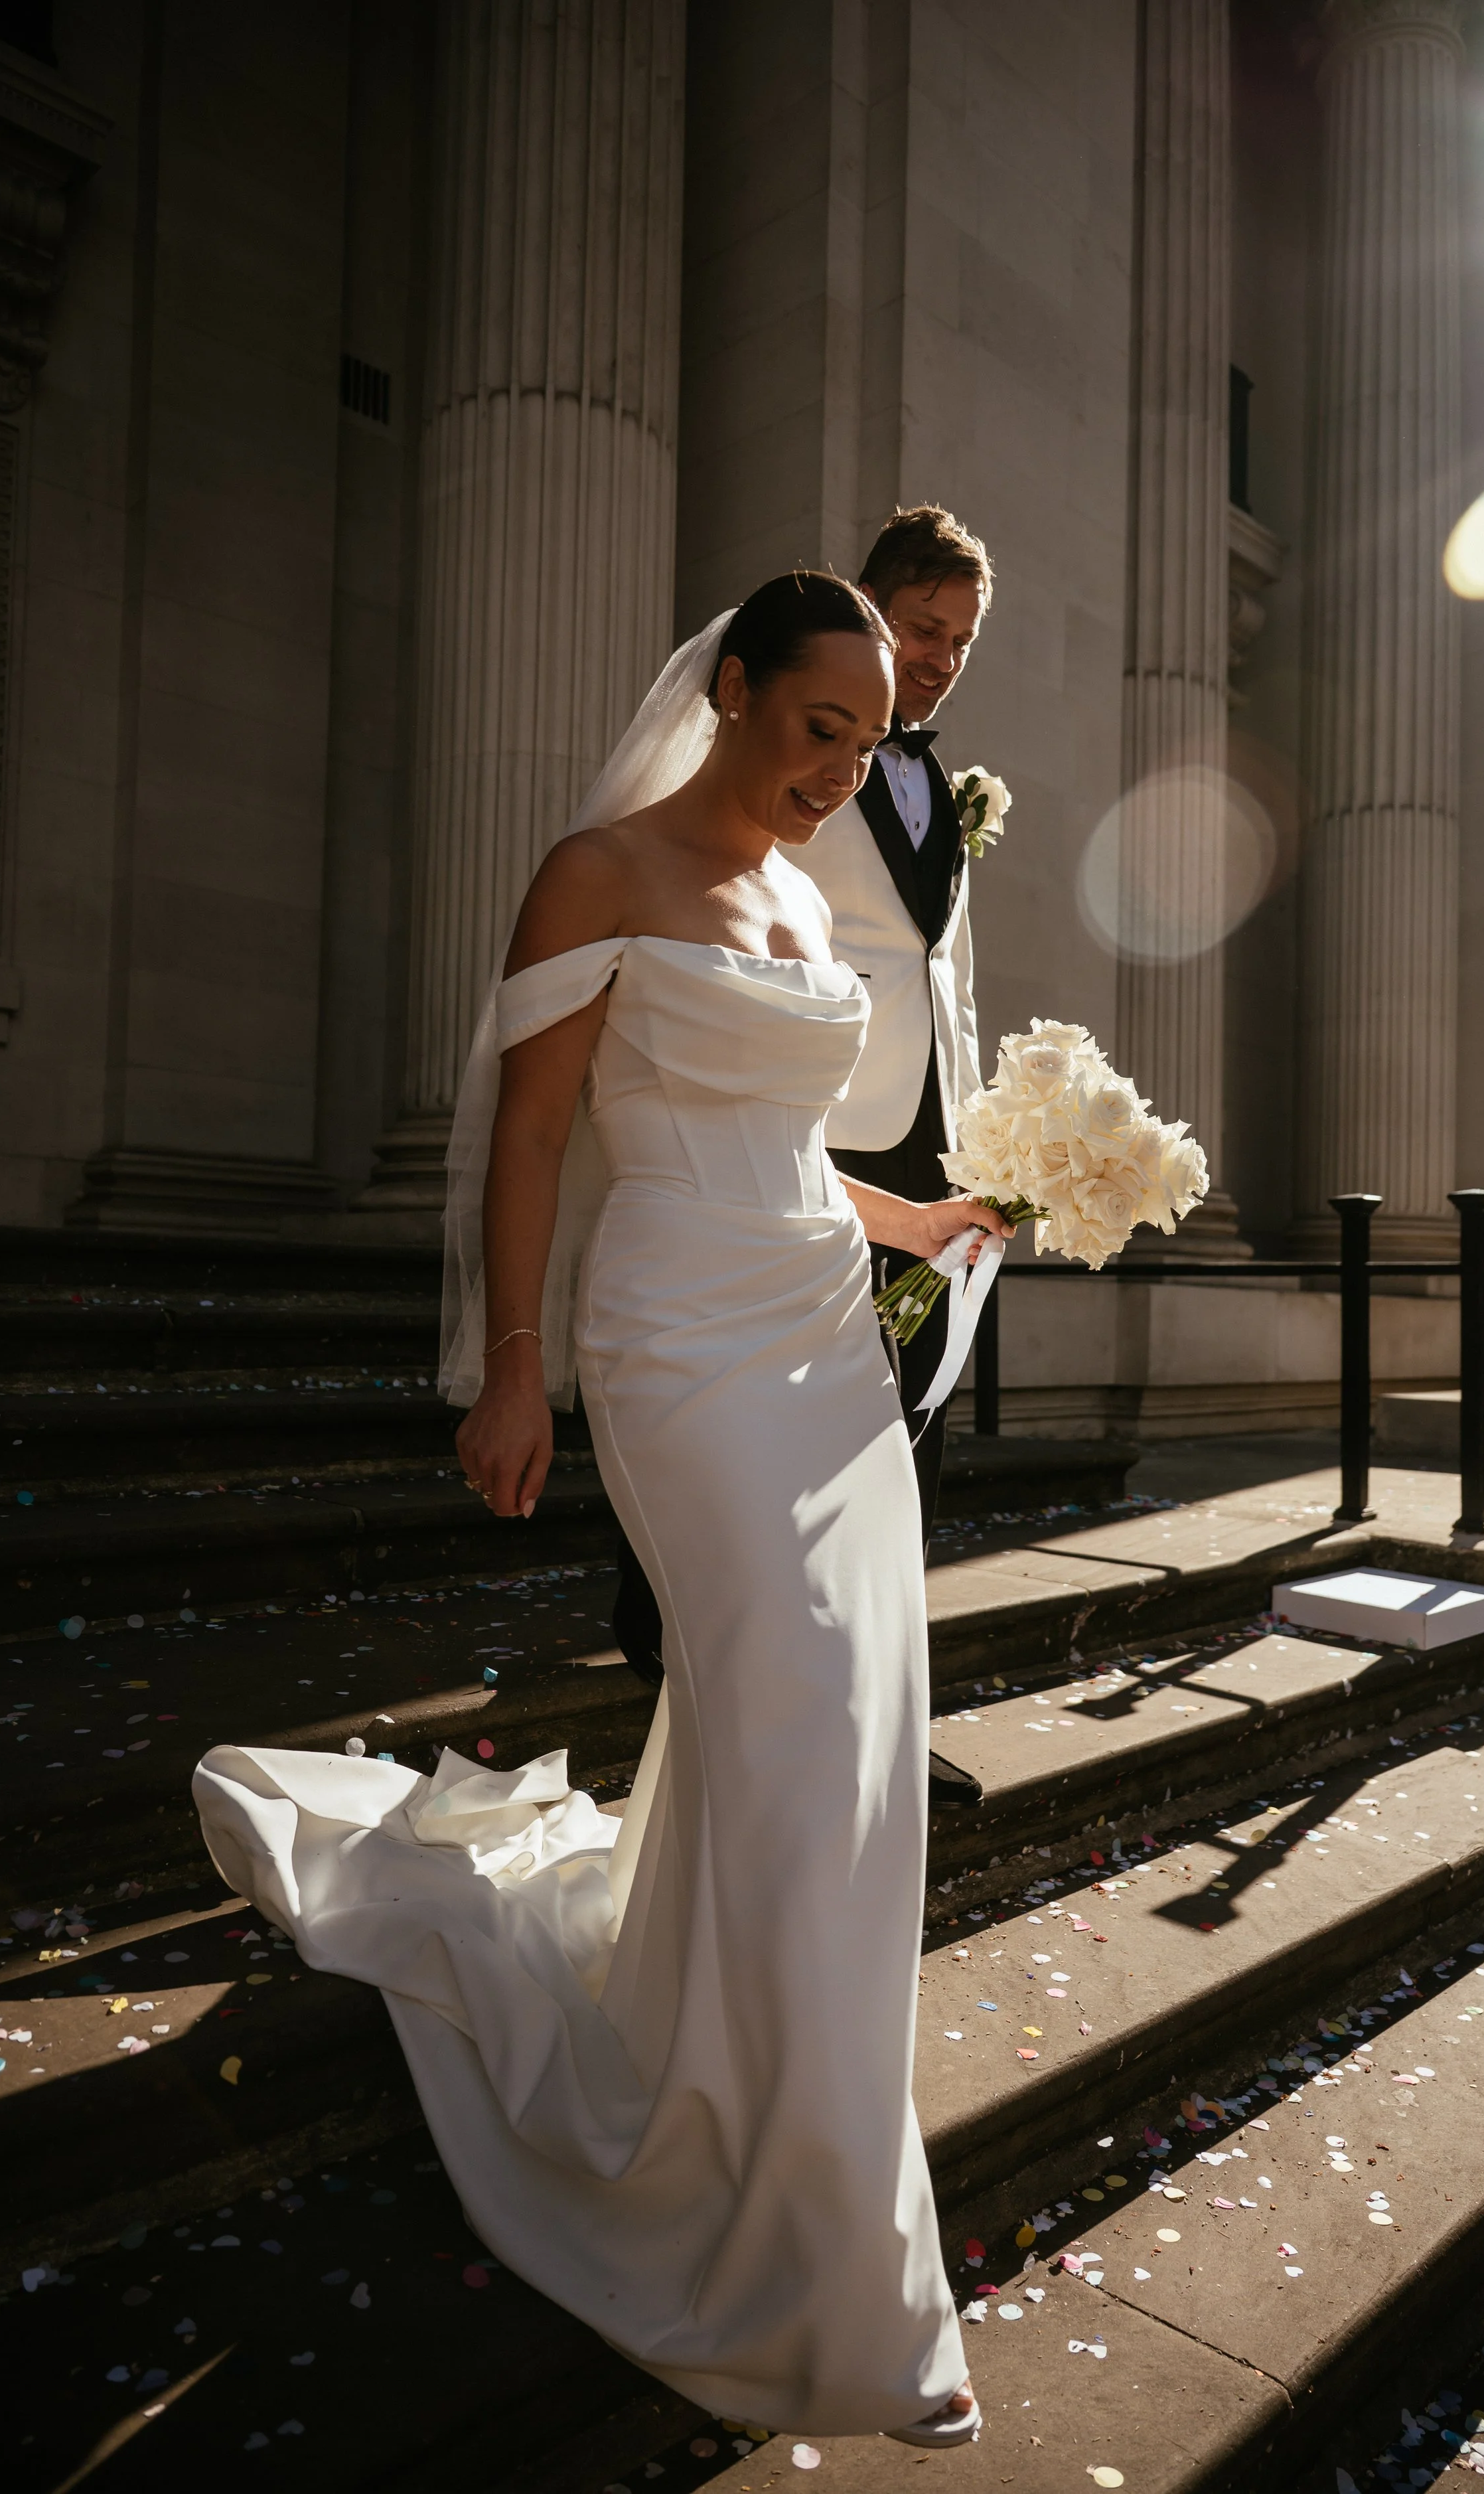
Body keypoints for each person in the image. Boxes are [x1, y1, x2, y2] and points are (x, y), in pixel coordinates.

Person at [192, 572, 1011, 2449]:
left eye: (868, 741)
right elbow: (543, 1127)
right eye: (817, 726)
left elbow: (789, 1139)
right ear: (730, 692)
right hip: (675, 1341)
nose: (840, 770)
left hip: (819, 1338)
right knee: (797, 1722)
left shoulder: (801, 891)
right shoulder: (596, 871)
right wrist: (512, 1365)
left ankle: (765, 2115)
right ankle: (819, 2246)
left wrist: (919, 1220)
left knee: (838, 1740)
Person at [610, 507, 994, 1813]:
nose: (941, 659)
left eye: (961, 642)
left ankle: (872, 1687)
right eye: (925, 629)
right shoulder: (799, 754)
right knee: (769, 1396)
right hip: (803, 1111)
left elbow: (943, 963)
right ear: (871, 614)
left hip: (930, 1130)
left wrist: (981, 1125)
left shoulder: (942, 786)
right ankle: (680, 1629)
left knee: (907, 1416)